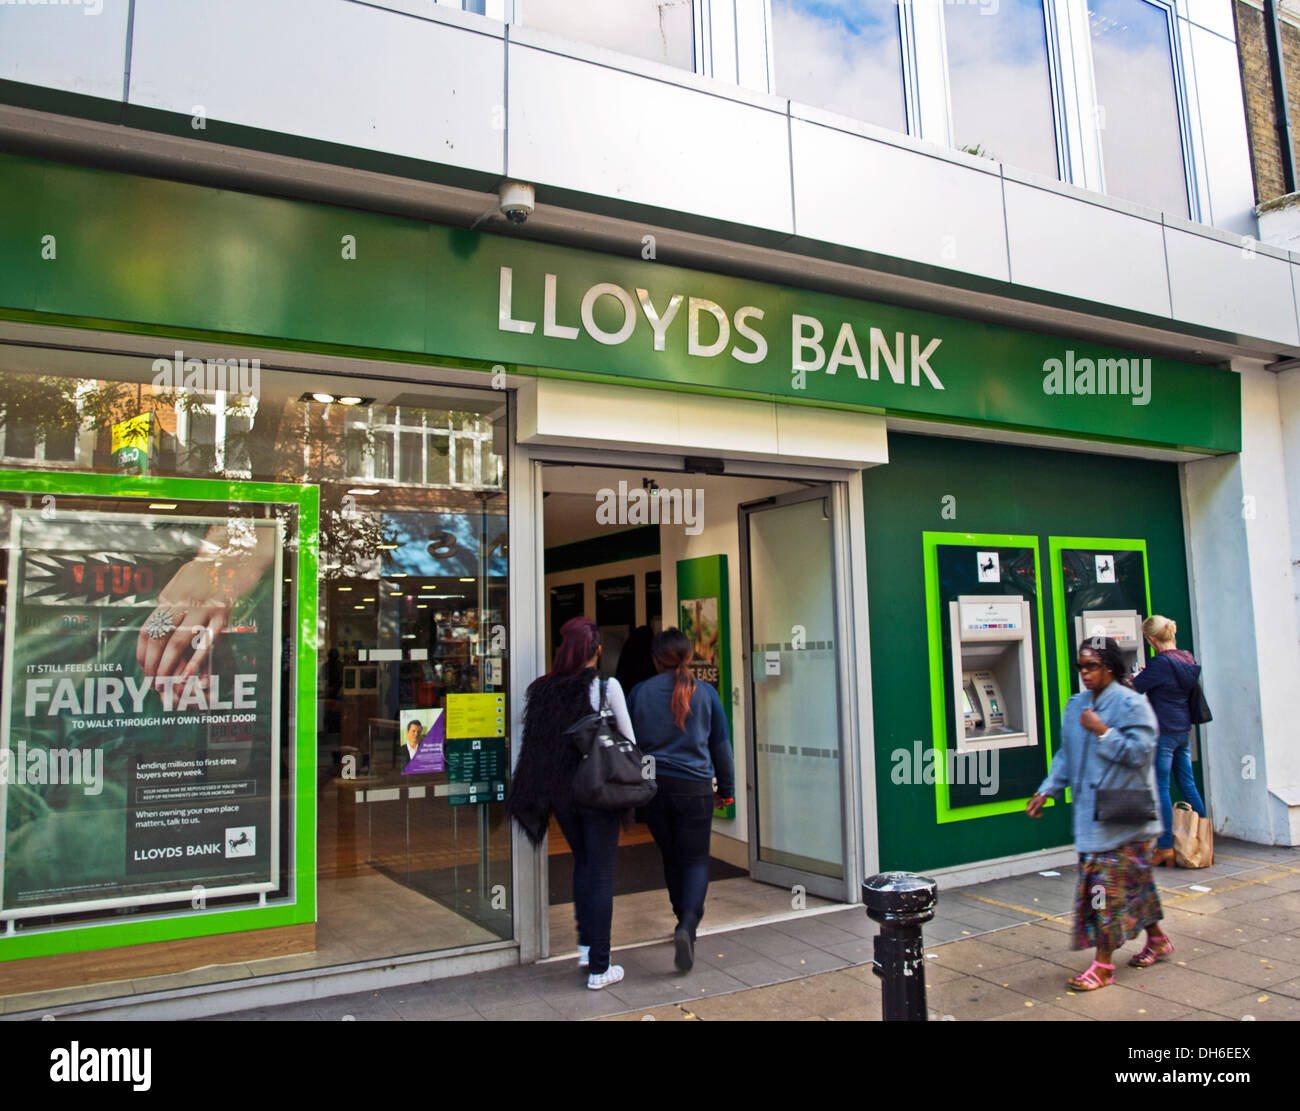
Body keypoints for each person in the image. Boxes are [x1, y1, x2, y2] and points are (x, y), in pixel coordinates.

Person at [1026, 636, 1173, 989]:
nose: (1084, 673)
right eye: (1080, 666)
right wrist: (1047, 789)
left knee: (1102, 891)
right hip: (1092, 817)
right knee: (1134, 886)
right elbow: (1067, 754)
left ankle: (1103, 966)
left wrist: (1104, 731)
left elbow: (1141, 753)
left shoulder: (1131, 704)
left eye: (1091, 666)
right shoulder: (1076, 704)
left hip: (1124, 818)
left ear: (1110, 666)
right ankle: (1157, 939)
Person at [507, 616, 635, 989]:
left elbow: (536, 746)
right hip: (598, 791)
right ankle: (600, 966)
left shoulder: (544, 690)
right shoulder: (606, 686)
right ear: (596, 651)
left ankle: (585, 947)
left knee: (584, 864)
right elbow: (629, 737)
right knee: (600, 872)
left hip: (562, 796)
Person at [627, 628, 735, 973]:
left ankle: (681, 918)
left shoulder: (640, 693)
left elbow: (628, 744)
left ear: (656, 659)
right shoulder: (705, 693)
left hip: (654, 789)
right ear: (689, 656)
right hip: (696, 789)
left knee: (672, 858)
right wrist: (727, 789)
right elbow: (721, 745)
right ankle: (687, 924)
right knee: (696, 859)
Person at [1131, 615, 1207, 867]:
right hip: (1182, 731)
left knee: (1161, 787)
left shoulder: (1161, 663)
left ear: (1152, 639)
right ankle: (1202, 838)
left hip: (1163, 732)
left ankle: (1165, 847)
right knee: (1187, 783)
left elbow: (1135, 688)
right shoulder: (1186, 658)